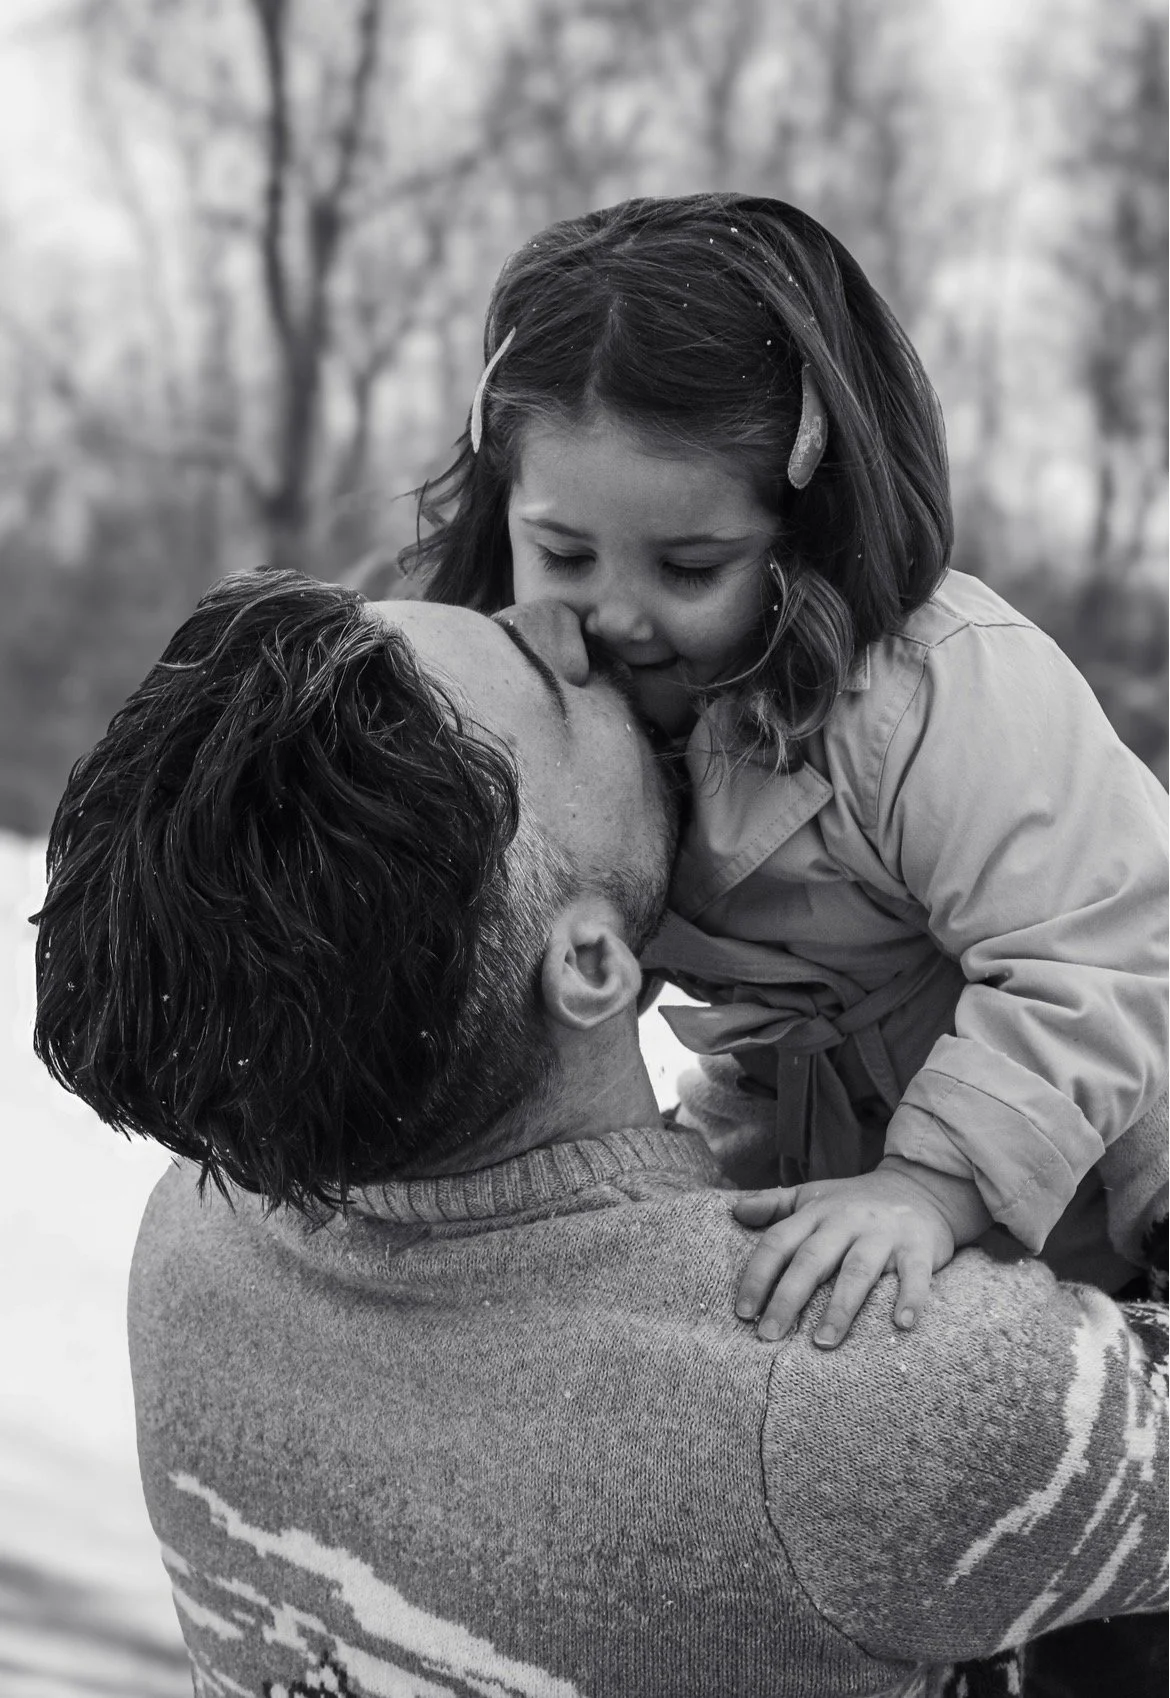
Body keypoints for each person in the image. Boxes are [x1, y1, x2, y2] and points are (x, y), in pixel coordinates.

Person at [33, 571, 1167, 1698]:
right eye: (546, 681)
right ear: (588, 966)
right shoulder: (851, 1392)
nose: (563, 623)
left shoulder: (200, 1240)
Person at [404, 190, 1169, 1351]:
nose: (617, 614)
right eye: (563, 552)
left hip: (1123, 1127)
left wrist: (930, 1185)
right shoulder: (553, 719)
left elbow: (1101, 951)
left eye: (689, 566)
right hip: (833, 1144)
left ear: (807, 526)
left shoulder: (926, 690)